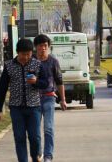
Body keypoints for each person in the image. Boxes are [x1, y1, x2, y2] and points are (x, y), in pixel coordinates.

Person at [0, 38, 48, 162]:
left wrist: (36, 82)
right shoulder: (9, 66)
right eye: (23, 54)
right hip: (16, 108)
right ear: (18, 52)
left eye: (29, 54)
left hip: (34, 107)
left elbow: (45, 83)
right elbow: (2, 88)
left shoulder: (37, 64)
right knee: (19, 137)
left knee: (35, 137)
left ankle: (35, 157)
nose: (26, 57)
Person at [33, 34, 66, 162]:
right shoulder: (31, 61)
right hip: (33, 100)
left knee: (48, 127)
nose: (43, 48)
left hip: (49, 98)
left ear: (48, 47)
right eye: (40, 46)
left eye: (45, 46)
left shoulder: (53, 61)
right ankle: (38, 153)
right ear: (36, 47)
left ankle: (48, 156)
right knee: (35, 130)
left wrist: (63, 99)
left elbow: (59, 81)